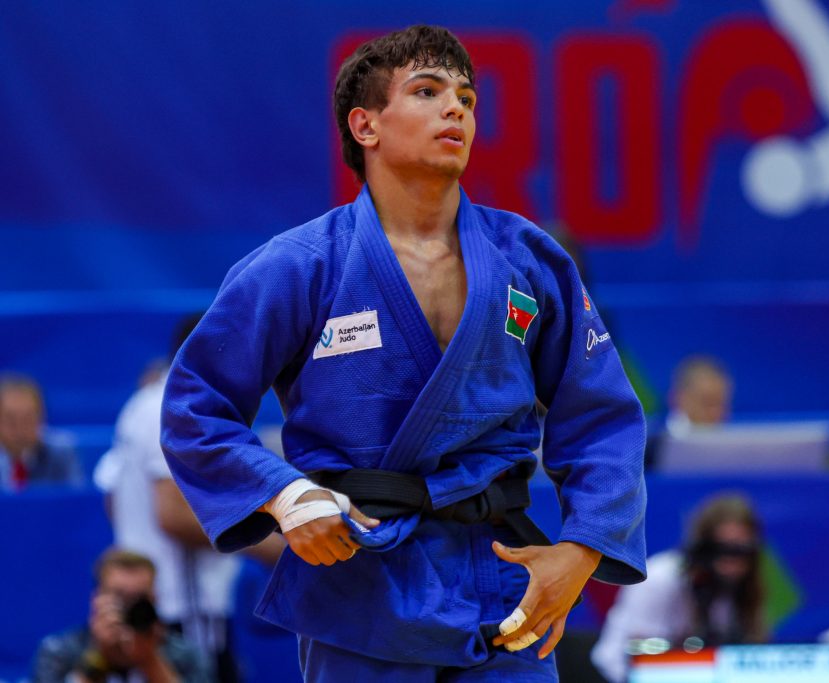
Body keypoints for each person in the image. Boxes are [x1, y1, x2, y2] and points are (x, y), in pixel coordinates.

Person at [160, 24, 647, 682]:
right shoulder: (301, 265)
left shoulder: (528, 259)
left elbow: (602, 417)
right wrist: (285, 494)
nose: (456, 109)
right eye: (427, 91)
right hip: (363, 579)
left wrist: (582, 549)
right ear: (365, 126)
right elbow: (195, 406)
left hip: (504, 581)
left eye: (466, 98)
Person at [94, 316, 284, 682]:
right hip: (181, 605)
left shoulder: (145, 404)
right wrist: (271, 548)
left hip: (160, 598)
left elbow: (112, 499)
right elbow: (173, 515)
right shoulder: (172, 408)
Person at [591, 494, 765, 683]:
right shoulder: (660, 578)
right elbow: (639, 658)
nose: (731, 563)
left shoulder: (742, 589)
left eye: (741, 551)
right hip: (619, 675)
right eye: (723, 550)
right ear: (701, 548)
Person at [32, 548, 209, 683]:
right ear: (96, 599)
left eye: (140, 598)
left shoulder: (185, 654)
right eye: (119, 596)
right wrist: (100, 656)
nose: (129, 607)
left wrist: (149, 660)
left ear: (155, 600)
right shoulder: (59, 651)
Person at [646, 356, 733, 467]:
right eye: (707, 403)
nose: (715, 412)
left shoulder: (735, 450)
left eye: (721, 404)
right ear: (679, 398)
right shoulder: (648, 446)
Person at [0, 374, 82, 491]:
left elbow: (74, 499)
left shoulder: (61, 453)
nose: (20, 428)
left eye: (28, 419)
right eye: (10, 419)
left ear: (42, 417)